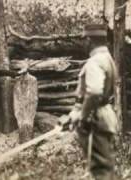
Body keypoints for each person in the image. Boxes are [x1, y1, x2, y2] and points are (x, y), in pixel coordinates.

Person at [66, 24, 118, 180]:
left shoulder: (95, 61)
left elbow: (94, 91)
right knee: (105, 165)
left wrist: (83, 116)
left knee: (100, 169)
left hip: (96, 118)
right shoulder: (107, 58)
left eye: (84, 39)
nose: (84, 43)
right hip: (104, 115)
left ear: (89, 40)